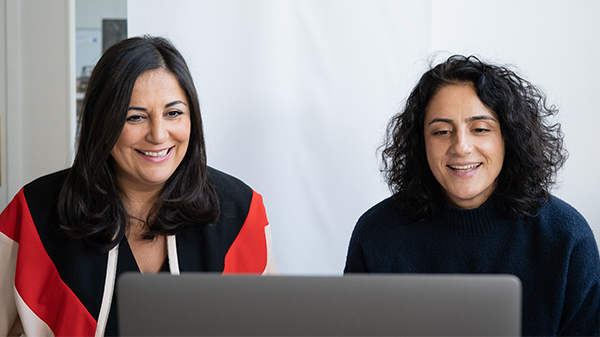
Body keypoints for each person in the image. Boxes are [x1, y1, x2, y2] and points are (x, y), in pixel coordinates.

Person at [0, 35, 276, 336]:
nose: (158, 135)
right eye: (135, 117)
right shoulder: (33, 212)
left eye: (173, 113)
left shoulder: (241, 209)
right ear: (102, 122)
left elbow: (269, 327)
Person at [344, 55, 600, 336]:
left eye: (480, 129)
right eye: (442, 131)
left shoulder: (566, 238)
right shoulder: (377, 233)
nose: (461, 147)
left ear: (509, 138)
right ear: (421, 143)